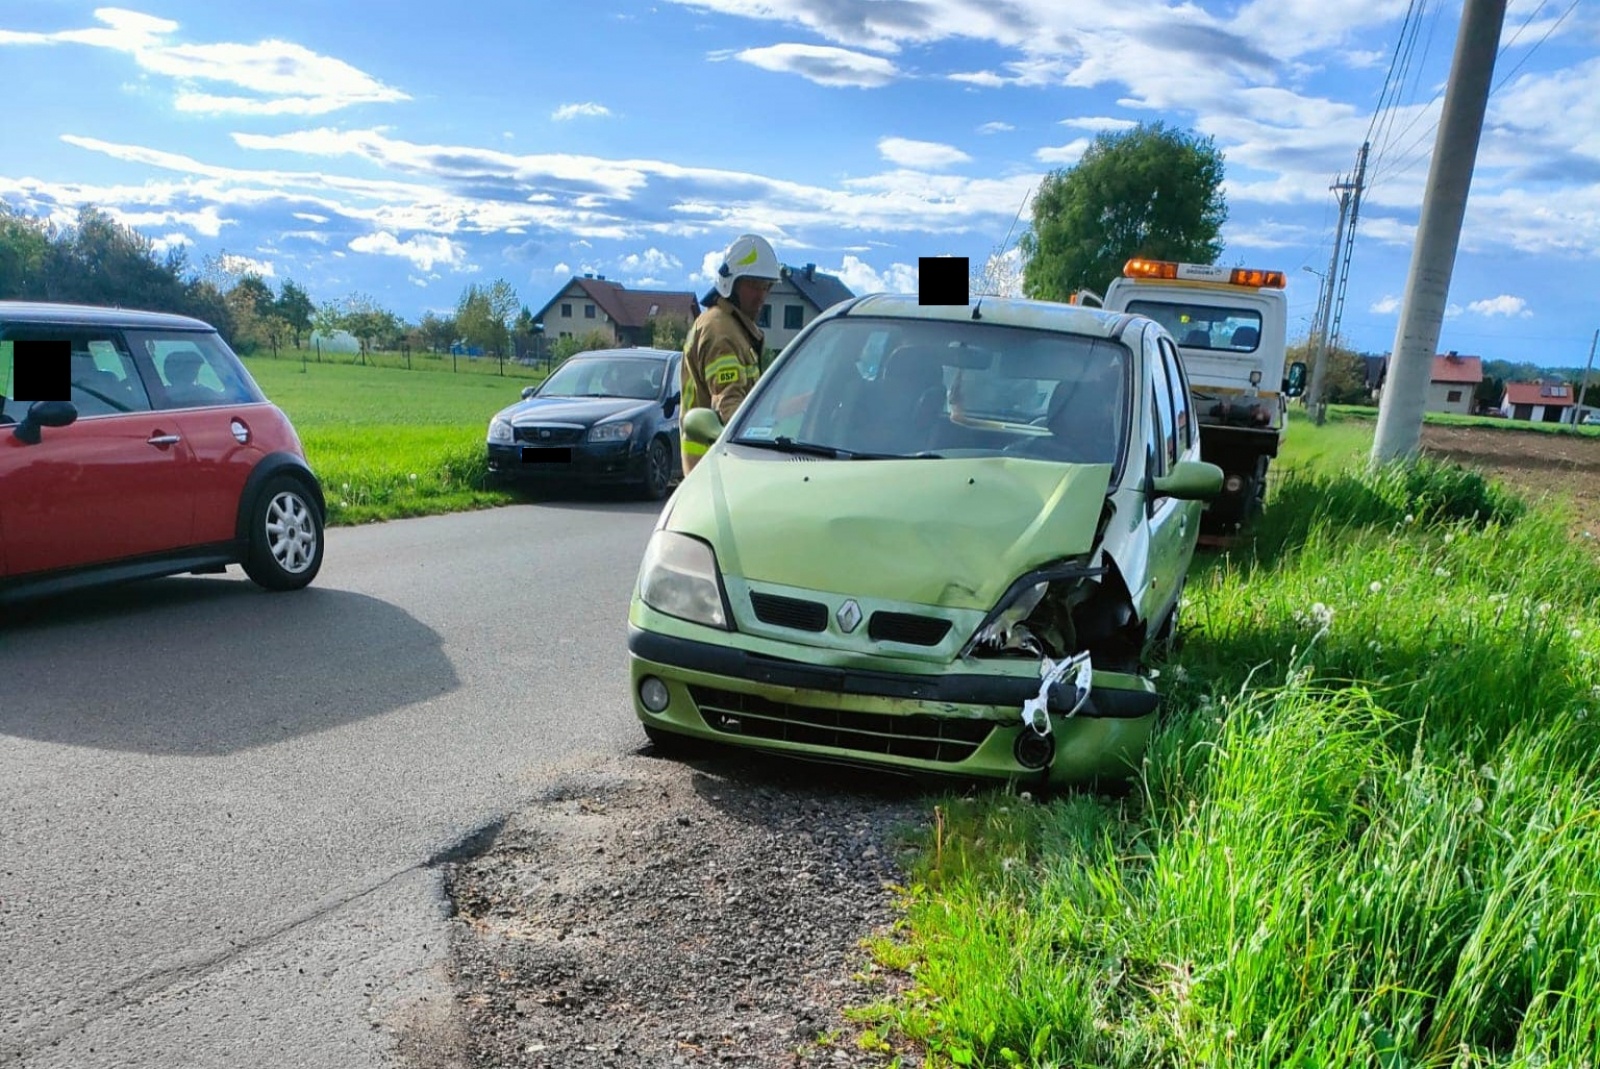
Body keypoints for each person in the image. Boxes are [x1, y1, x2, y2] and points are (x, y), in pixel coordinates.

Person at [680, 233, 781, 474]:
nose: (761, 296)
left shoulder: (733, 328)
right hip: (713, 469)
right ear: (730, 284)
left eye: (765, 287)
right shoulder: (720, 331)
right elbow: (729, 405)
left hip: (718, 468)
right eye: (753, 285)